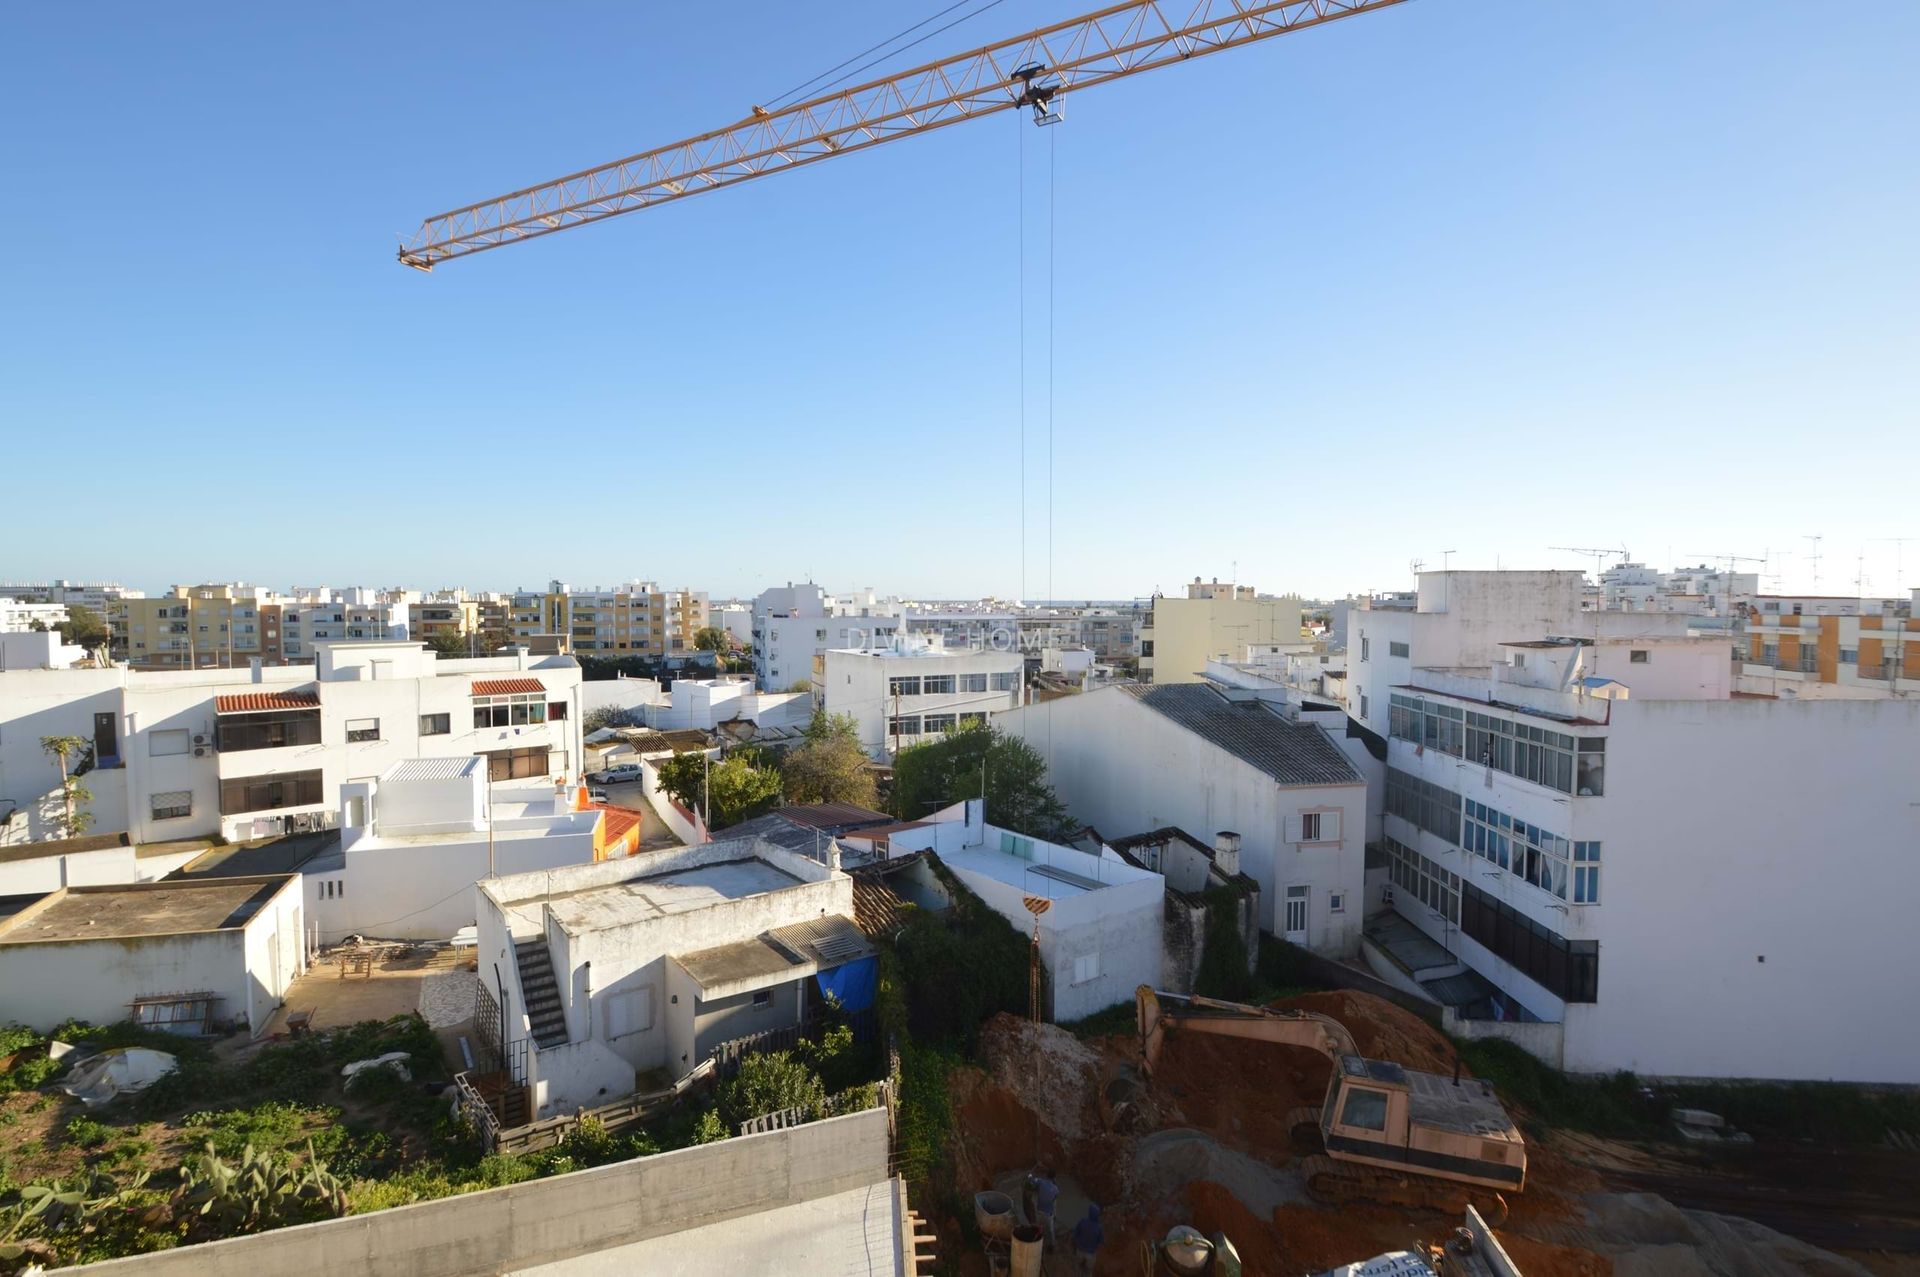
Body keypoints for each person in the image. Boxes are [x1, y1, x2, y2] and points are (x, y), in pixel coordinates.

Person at [1027, 1167, 1059, 1246]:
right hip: (1048, 1214)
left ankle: (1038, 1244)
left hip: (1039, 1212)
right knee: (1051, 1231)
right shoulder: (1056, 1189)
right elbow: (1054, 1198)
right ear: (1054, 1177)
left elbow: (1030, 1180)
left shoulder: (1040, 1182)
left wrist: (1030, 1173)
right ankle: (1052, 1246)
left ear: (1046, 1175)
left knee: (1039, 1228)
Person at [1072, 1203, 1103, 1275]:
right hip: (1091, 1254)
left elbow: (1075, 1234)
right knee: (1088, 1271)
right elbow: (1100, 1241)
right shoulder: (1099, 1227)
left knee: (1078, 1268)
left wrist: (1077, 1243)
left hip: (1080, 1251)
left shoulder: (1082, 1222)